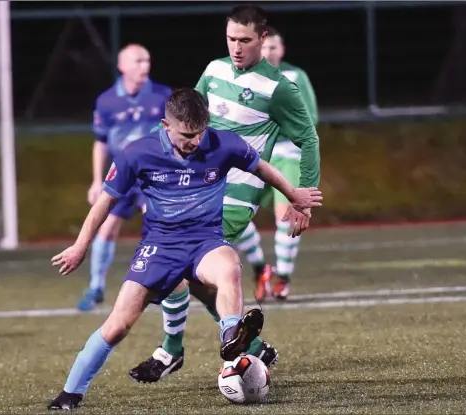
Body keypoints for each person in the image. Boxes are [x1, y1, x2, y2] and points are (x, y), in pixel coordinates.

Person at [47, 88, 322, 410]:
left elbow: (261, 167)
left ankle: (232, 336)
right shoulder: (138, 152)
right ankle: (70, 393)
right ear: (166, 125)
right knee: (118, 325)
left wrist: (293, 194)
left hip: (204, 240)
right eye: (186, 134)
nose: (194, 141)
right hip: (158, 247)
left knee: (229, 266)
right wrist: (80, 246)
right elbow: (104, 202)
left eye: (199, 133)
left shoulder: (223, 143)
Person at [129, 4, 320, 384]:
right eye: (231, 38)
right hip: (196, 188)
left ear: (262, 39)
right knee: (197, 278)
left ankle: (172, 350)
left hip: (235, 195)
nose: (236, 47)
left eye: (245, 40)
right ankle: (249, 347)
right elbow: (186, 117)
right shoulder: (215, 71)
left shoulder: (279, 88)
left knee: (175, 263)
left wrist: (304, 197)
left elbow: (308, 138)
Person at [77, 44, 172, 311]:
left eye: (147, 60)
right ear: (122, 66)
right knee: (105, 229)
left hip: (154, 175)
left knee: (157, 225)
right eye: (138, 61)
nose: (145, 66)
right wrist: (97, 180)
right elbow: (101, 142)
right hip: (122, 173)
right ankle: (96, 287)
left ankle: (161, 282)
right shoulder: (107, 101)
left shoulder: (162, 96)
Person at [236, 25, 320, 301]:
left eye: (274, 46)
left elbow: (310, 120)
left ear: (281, 49)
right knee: (233, 211)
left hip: (286, 153)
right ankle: (261, 268)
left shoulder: (295, 76)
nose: (269, 51)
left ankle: (283, 277)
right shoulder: (243, 76)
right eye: (265, 46)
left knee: (287, 214)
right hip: (253, 154)